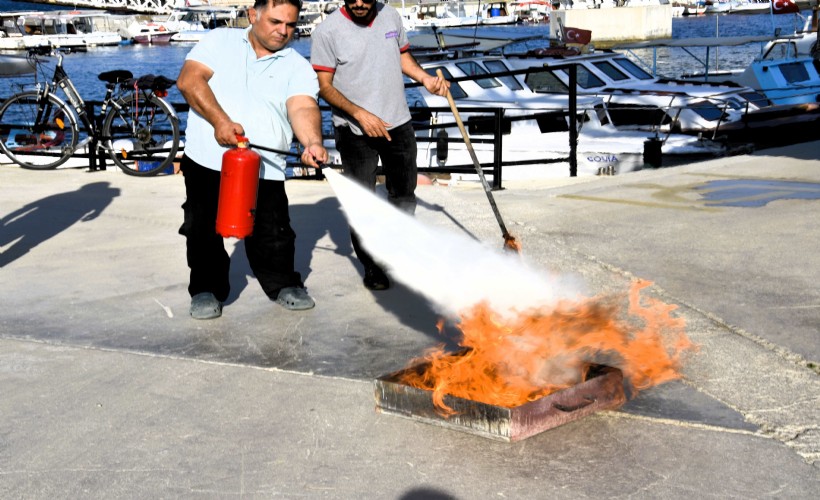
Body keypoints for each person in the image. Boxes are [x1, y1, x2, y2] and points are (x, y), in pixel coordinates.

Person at [177, 0, 327, 320]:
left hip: (266, 165)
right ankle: (206, 289)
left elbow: (302, 107)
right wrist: (220, 122)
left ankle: (283, 284)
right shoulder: (219, 40)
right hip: (206, 158)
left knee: (274, 230)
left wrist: (313, 142)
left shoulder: (297, 65)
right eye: (275, 22)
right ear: (252, 14)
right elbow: (190, 81)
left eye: (290, 25)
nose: (282, 31)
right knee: (201, 227)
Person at [310, 0, 448, 291]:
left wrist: (425, 79)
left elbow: (402, 57)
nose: (359, 3)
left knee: (404, 194)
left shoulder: (391, 16)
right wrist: (359, 114)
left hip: (398, 122)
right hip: (354, 130)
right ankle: (372, 266)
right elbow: (324, 86)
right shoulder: (327, 30)